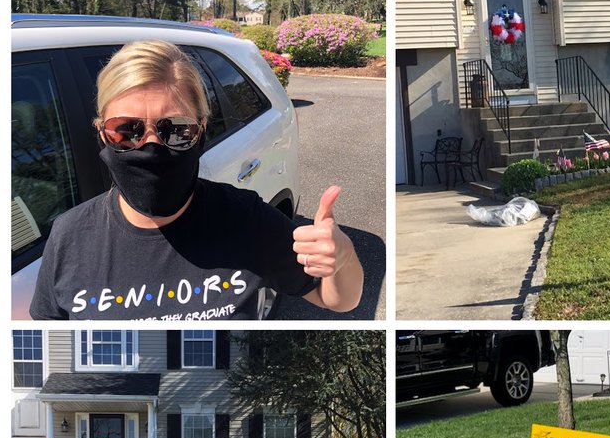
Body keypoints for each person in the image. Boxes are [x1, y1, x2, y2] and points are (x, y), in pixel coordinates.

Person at [29, 40, 363, 319]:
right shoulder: (69, 237)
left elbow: (337, 299)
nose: (150, 146)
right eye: (126, 130)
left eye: (175, 130)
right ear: (102, 133)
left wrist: (342, 255)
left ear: (201, 131)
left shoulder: (245, 219)